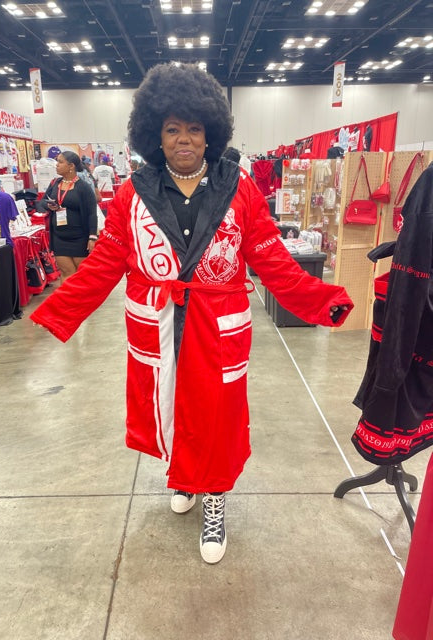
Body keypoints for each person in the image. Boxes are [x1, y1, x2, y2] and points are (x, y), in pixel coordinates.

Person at [30, 63, 353, 564]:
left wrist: (321, 299)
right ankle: (184, 477)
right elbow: (105, 263)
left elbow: (271, 258)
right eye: (172, 129)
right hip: (157, 322)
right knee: (170, 406)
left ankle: (215, 497)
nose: (184, 139)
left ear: (211, 133)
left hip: (218, 324)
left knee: (218, 416)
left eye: (195, 129)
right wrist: (56, 312)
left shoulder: (239, 188)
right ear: (154, 136)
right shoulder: (132, 193)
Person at [38, 151, 97, 282]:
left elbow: (92, 213)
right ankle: (68, 296)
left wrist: (92, 237)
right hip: (59, 238)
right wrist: (49, 206)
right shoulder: (55, 183)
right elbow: (41, 203)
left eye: (60, 162)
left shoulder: (83, 187)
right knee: (66, 273)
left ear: (71, 166)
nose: (56, 165)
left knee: (81, 276)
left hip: (80, 238)